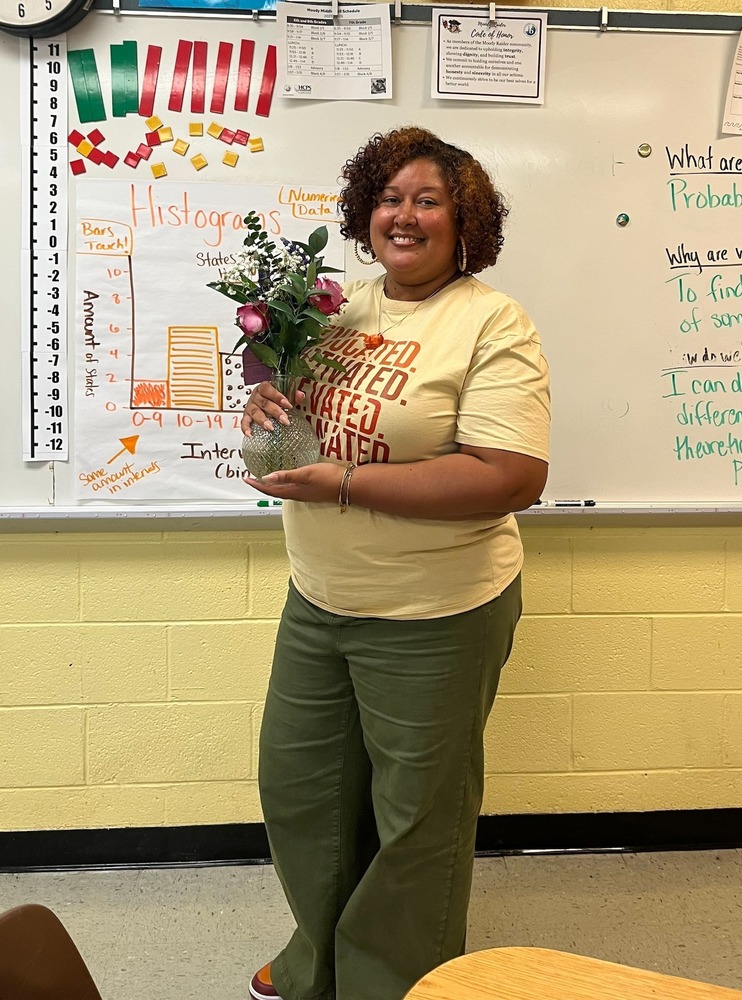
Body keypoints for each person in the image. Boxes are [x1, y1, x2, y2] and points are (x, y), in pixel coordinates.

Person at [242, 126, 550, 1000]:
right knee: (302, 792)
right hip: (320, 597)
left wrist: (343, 483)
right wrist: (263, 397)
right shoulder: (334, 307)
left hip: (434, 612)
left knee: (416, 819)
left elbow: (510, 476)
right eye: (387, 197)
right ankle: (318, 961)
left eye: (427, 200)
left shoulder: (490, 321)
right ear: (362, 212)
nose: (403, 215)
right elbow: (288, 398)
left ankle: (392, 981)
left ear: (465, 222)